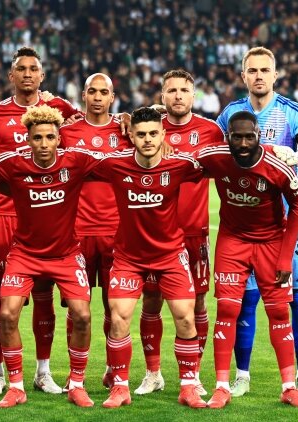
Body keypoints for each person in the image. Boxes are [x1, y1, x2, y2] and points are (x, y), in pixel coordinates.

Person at [216, 47, 298, 399]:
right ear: (243, 76)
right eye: (252, 70)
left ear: (275, 75)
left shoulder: (291, 111)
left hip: (290, 221)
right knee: (244, 300)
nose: (259, 76)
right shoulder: (231, 114)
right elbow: (209, 147)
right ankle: (241, 376)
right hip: (247, 223)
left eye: (265, 70)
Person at [0, 46, 79, 395]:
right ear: (11, 75)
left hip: (47, 213)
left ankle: (43, 372)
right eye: (22, 69)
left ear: (42, 75)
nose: (28, 74)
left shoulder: (59, 108)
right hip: (5, 214)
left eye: (34, 68)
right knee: (2, 299)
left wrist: (124, 118)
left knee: (44, 294)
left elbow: (93, 124)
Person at [93, 107, 206, 409]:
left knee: (186, 317)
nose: (147, 139)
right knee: (119, 318)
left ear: (163, 134)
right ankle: (120, 387)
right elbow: (75, 161)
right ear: (131, 135)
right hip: (128, 258)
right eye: (141, 134)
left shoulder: (180, 165)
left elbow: (219, 163)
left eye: (153, 133)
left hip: (170, 254)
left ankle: (188, 386)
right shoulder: (114, 164)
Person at [196, 111, 298, 409]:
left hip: (271, 243)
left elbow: (297, 204)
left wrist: (285, 258)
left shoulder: (276, 165)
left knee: (279, 313)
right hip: (232, 242)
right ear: (228, 137)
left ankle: (288, 388)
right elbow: (183, 162)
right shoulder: (214, 156)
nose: (244, 143)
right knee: (227, 308)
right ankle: (222, 387)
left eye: (250, 137)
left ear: (259, 135)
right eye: (237, 137)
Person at [0, 105, 97, 408]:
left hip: (66, 254)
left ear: (59, 138)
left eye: (50, 137)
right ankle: (16, 387)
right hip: (24, 254)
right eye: (38, 138)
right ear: (28, 139)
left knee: (83, 315)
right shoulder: (13, 163)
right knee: (7, 314)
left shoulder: (76, 161)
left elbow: (118, 159)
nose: (44, 144)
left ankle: (76, 384)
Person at [135, 69, 224, 397]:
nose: (177, 96)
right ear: (162, 96)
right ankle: (152, 373)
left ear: (193, 95)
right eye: (171, 90)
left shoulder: (210, 131)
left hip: (194, 233)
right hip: (155, 234)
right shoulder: (150, 129)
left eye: (183, 90)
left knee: (198, 303)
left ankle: (194, 374)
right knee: (151, 300)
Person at [58, 72, 131, 389]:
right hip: (76, 232)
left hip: (116, 231)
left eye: (104, 92)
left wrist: (130, 118)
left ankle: (112, 369)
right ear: (83, 95)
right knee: (77, 309)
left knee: (114, 307)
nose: (98, 97)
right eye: (92, 91)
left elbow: (157, 130)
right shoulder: (67, 133)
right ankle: (75, 374)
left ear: (112, 97)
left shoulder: (126, 130)